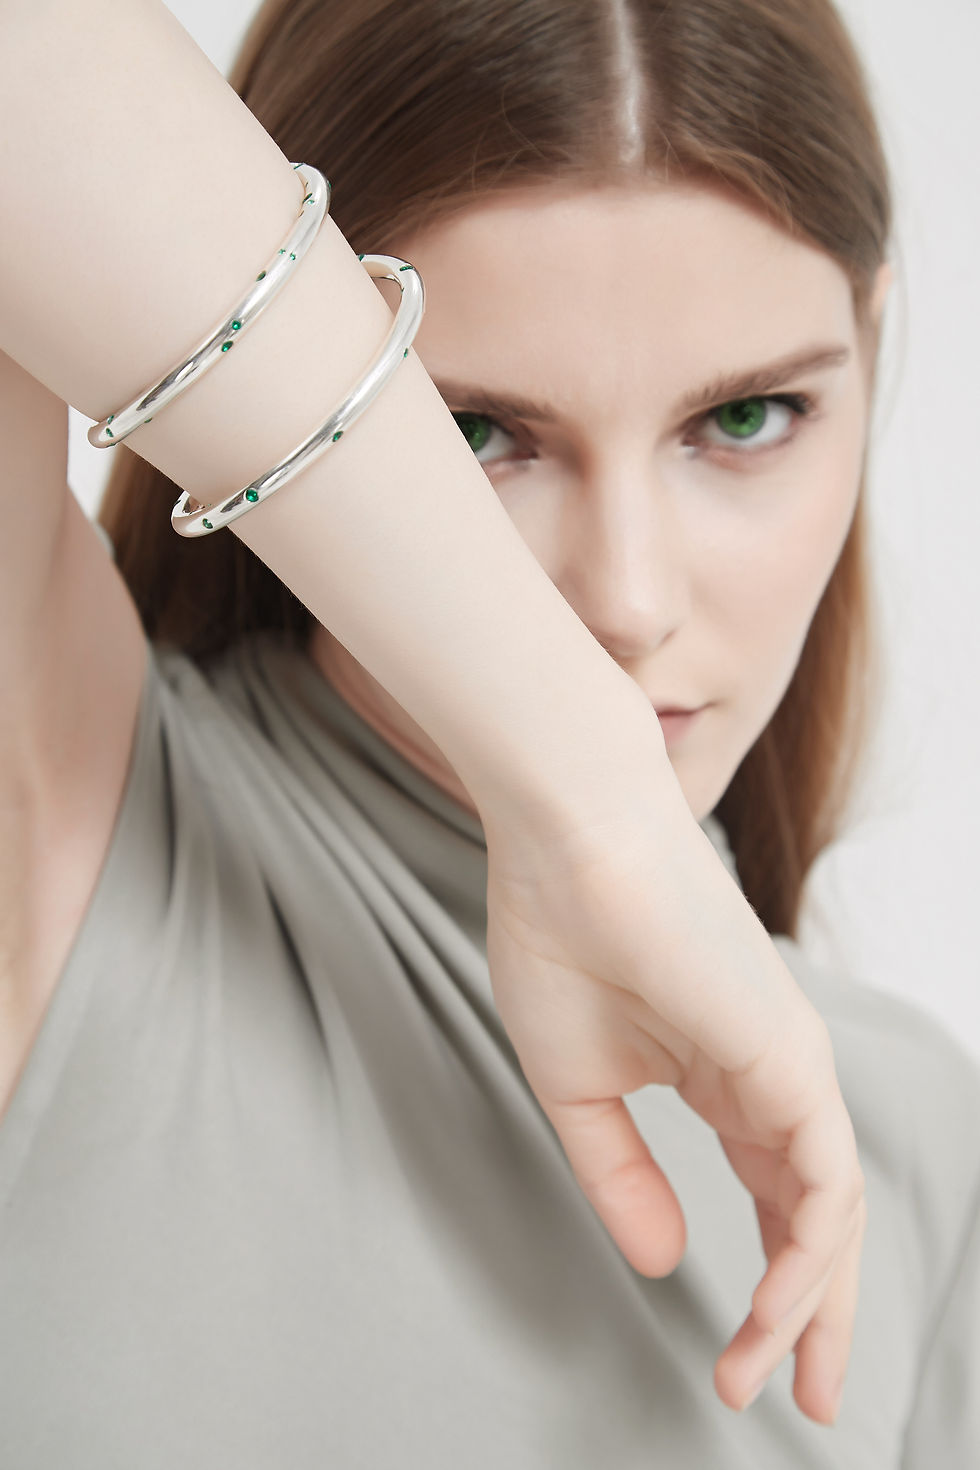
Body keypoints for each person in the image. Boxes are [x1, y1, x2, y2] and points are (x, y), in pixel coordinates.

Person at [0, 0, 977, 1463]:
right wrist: (584, 783)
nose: (630, 600)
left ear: (871, 351)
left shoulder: (908, 1139)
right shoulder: (69, 827)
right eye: (473, 433)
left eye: (752, 419)